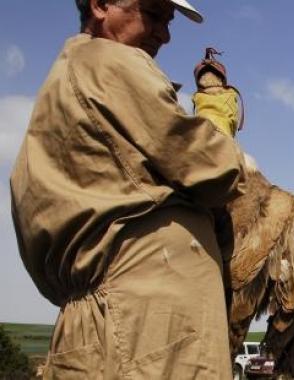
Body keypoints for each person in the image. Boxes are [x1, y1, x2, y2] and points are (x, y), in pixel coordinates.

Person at [10, 0, 245, 378]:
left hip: (102, 324)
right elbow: (213, 167)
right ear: (101, 5)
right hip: (148, 326)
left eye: (168, 22)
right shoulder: (111, 60)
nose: (164, 35)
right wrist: (217, 112)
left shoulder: (64, 79)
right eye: (152, 15)